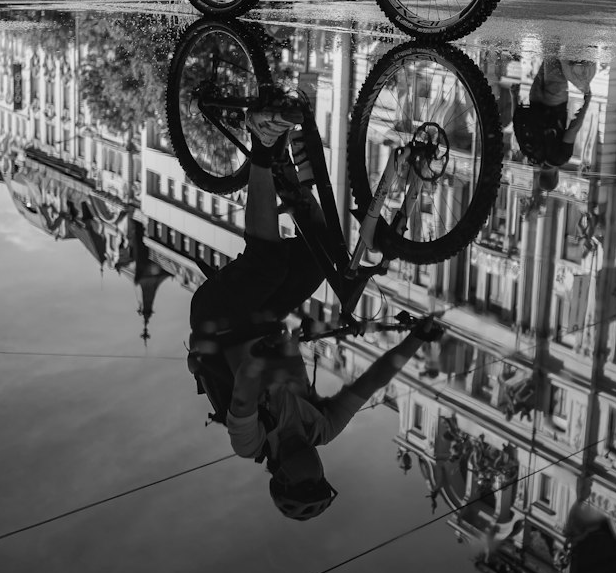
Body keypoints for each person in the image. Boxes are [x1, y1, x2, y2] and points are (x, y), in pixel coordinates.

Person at [188, 103, 438, 521]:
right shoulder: (320, 428)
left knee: (267, 264)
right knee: (319, 259)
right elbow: (371, 383)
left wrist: (262, 354)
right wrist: (417, 339)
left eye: (308, 481)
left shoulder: (250, 442)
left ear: (282, 477)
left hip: (219, 320)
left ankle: (263, 146)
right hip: (264, 317)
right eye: (320, 480)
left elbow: (247, 389)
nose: (316, 473)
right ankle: (289, 173)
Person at [512, 49, 593, 196]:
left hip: (555, 101)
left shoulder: (560, 157)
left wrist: (586, 103)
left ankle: (558, 28)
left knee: (552, 50)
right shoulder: (531, 155)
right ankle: (553, 30)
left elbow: (572, 130)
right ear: (541, 175)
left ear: (556, 175)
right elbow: (518, 127)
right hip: (535, 98)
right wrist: (514, 97)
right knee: (549, 55)